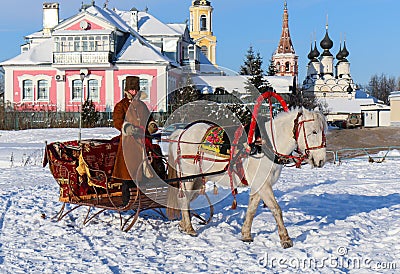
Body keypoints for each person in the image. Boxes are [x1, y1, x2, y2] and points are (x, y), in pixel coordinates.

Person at [112, 76, 158, 205]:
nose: (133, 92)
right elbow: (117, 121)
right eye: (131, 90)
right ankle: (126, 201)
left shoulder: (142, 105)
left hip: (143, 143)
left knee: (144, 172)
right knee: (128, 175)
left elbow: (150, 119)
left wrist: (152, 126)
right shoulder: (121, 105)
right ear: (127, 90)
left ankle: (142, 198)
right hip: (128, 144)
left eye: (135, 90)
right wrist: (127, 127)